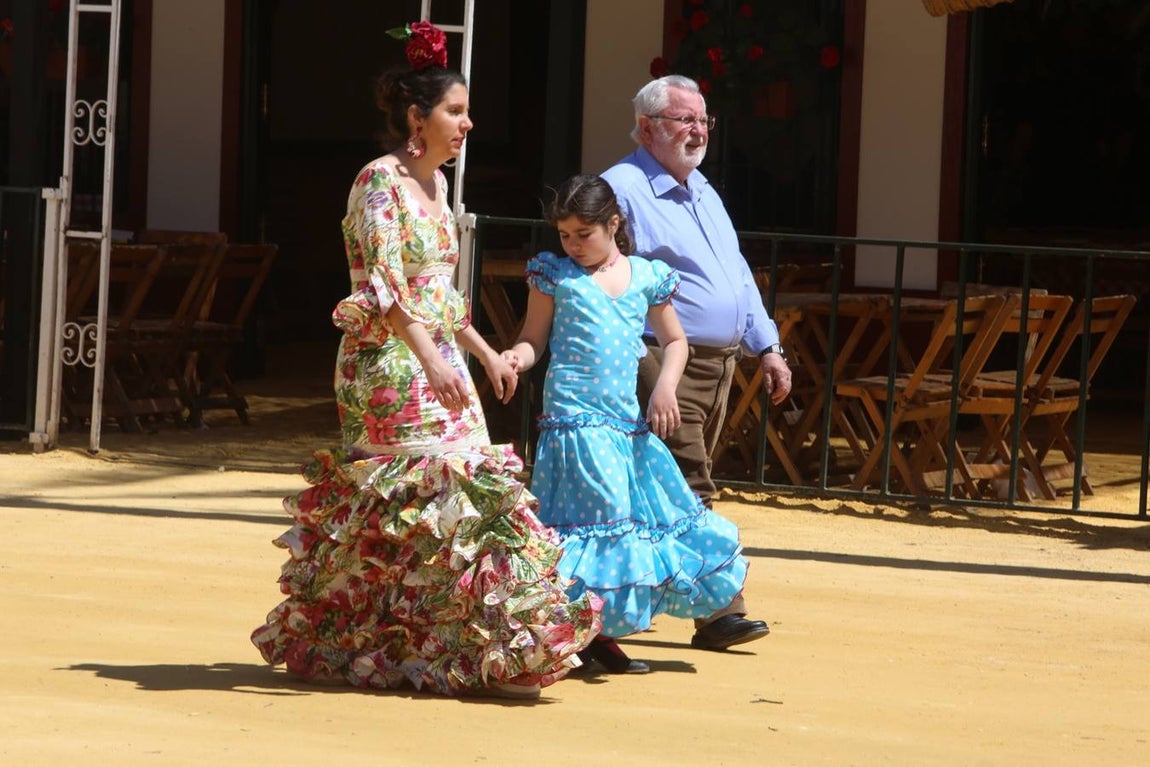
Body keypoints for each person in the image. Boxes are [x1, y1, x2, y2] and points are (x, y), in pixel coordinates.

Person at [250, 21, 600, 700]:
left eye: (466, 111)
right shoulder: (378, 182)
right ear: (418, 117)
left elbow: (443, 294)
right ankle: (384, 640)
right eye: (455, 111)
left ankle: (463, 646)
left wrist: (483, 352)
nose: (468, 124)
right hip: (387, 359)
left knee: (465, 493)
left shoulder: (438, 189)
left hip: (435, 356)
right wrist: (431, 360)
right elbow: (382, 286)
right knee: (416, 497)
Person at [502, 174, 751, 674]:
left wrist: (663, 387)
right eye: (565, 236)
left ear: (613, 223)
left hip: (625, 424)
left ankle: (590, 630)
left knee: (660, 510)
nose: (572, 245)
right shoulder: (556, 275)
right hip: (575, 421)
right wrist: (514, 357)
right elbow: (534, 337)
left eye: (583, 234)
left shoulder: (645, 275)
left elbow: (675, 341)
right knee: (606, 519)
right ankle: (591, 633)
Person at [600, 74, 791, 651]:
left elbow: (735, 274)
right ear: (646, 129)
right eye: (684, 119)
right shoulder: (621, 188)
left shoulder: (703, 188)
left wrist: (769, 346)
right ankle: (720, 611)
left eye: (702, 119)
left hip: (723, 360)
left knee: (656, 489)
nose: (697, 129)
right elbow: (603, 277)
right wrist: (639, 360)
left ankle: (599, 613)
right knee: (690, 482)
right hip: (664, 359)